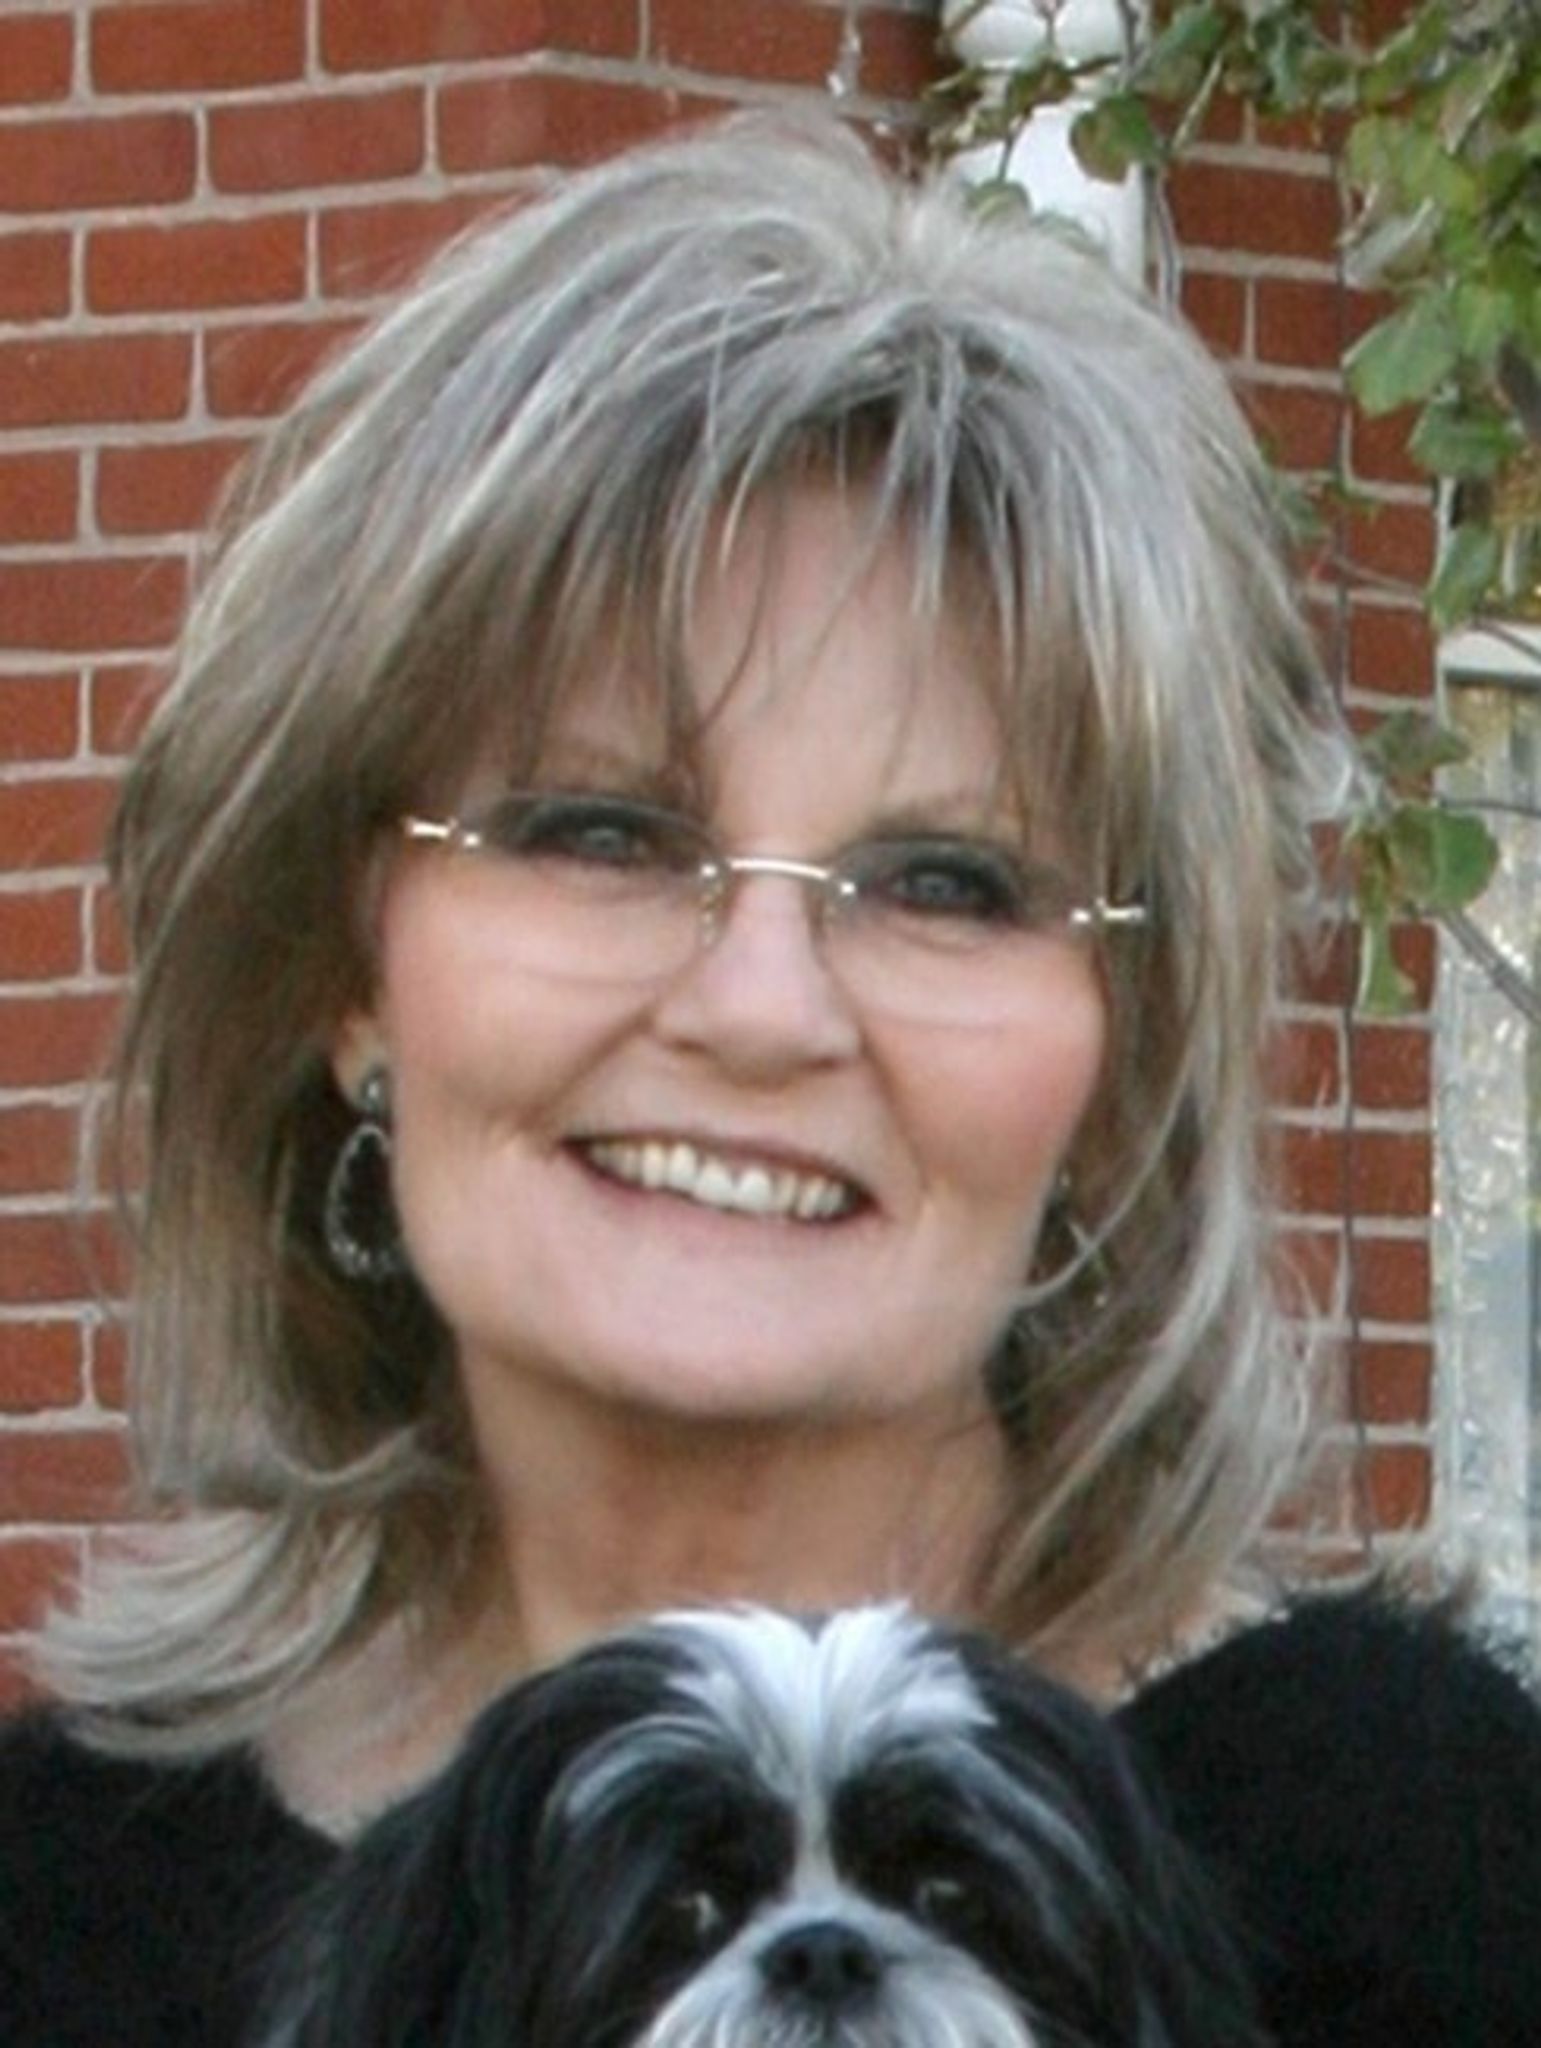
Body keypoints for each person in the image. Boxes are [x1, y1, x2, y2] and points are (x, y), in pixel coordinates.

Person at [1, 113, 1535, 2046]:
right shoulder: (56, 1917)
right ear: (342, 966)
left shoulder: (1421, 1879)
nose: (761, 1006)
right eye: (602, 833)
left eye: (944, 882)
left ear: (1118, 1054)